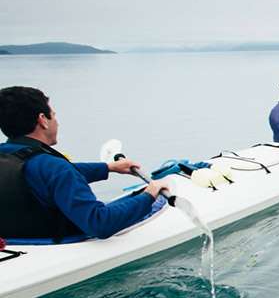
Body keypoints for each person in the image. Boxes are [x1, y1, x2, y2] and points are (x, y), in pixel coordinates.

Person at [0, 86, 168, 241]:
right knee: (159, 201)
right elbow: (99, 224)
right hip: (59, 243)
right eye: (54, 115)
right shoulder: (54, 167)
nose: (57, 122)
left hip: (15, 242)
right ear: (43, 120)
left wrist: (107, 168)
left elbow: (47, 175)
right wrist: (150, 194)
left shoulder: (8, 155)